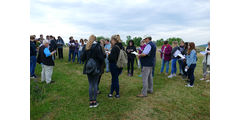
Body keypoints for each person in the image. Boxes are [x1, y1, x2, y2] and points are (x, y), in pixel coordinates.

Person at [81, 35, 105, 108]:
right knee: (95, 84)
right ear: (95, 39)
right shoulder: (97, 46)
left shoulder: (86, 46)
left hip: (88, 67)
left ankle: (91, 101)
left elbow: (82, 58)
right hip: (96, 67)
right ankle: (94, 101)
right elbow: (101, 58)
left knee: (91, 84)